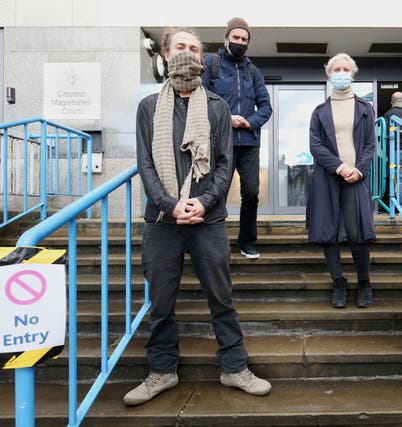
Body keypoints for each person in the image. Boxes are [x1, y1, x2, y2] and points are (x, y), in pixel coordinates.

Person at [125, 27, 271, 406]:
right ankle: (161, 371)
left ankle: (235, 367)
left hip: (209, 219)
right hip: (161, 221)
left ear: (203, 58)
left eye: (194, 48)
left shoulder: (219, 107)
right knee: (161, 302)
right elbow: (145, 163)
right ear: (165, 53)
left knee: (221, 298)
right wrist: (168, 203)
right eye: (180, 47)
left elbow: (225, 164)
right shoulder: (147, 108)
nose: (187, 53)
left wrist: (204, 202)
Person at [307, 53, 377, 309]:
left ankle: (364, 283)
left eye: (346, 68)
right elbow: (315, 145)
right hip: (328, 178)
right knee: (329, 234)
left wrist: (359, 170)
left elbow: (370, 144)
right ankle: (338, 283)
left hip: (357, 178)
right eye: (337, 68)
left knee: (357, 233)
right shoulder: (320, 111)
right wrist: (339, 167)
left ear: (353, 73)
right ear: (329, 74)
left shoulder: (365, 108)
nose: (341, 72)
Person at [202, 17, 272, 259]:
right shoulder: (211, 64)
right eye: (236, 38)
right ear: (226, 38)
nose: (240, 42)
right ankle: (213, 242)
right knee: (216, 193)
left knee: (251, 193)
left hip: (249, 143)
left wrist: (250, 122)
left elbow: (266, 106)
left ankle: (247, 242)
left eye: (244, 39)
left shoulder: (253, 71)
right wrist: (226, 118)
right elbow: (201, 100)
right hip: (221, 142)